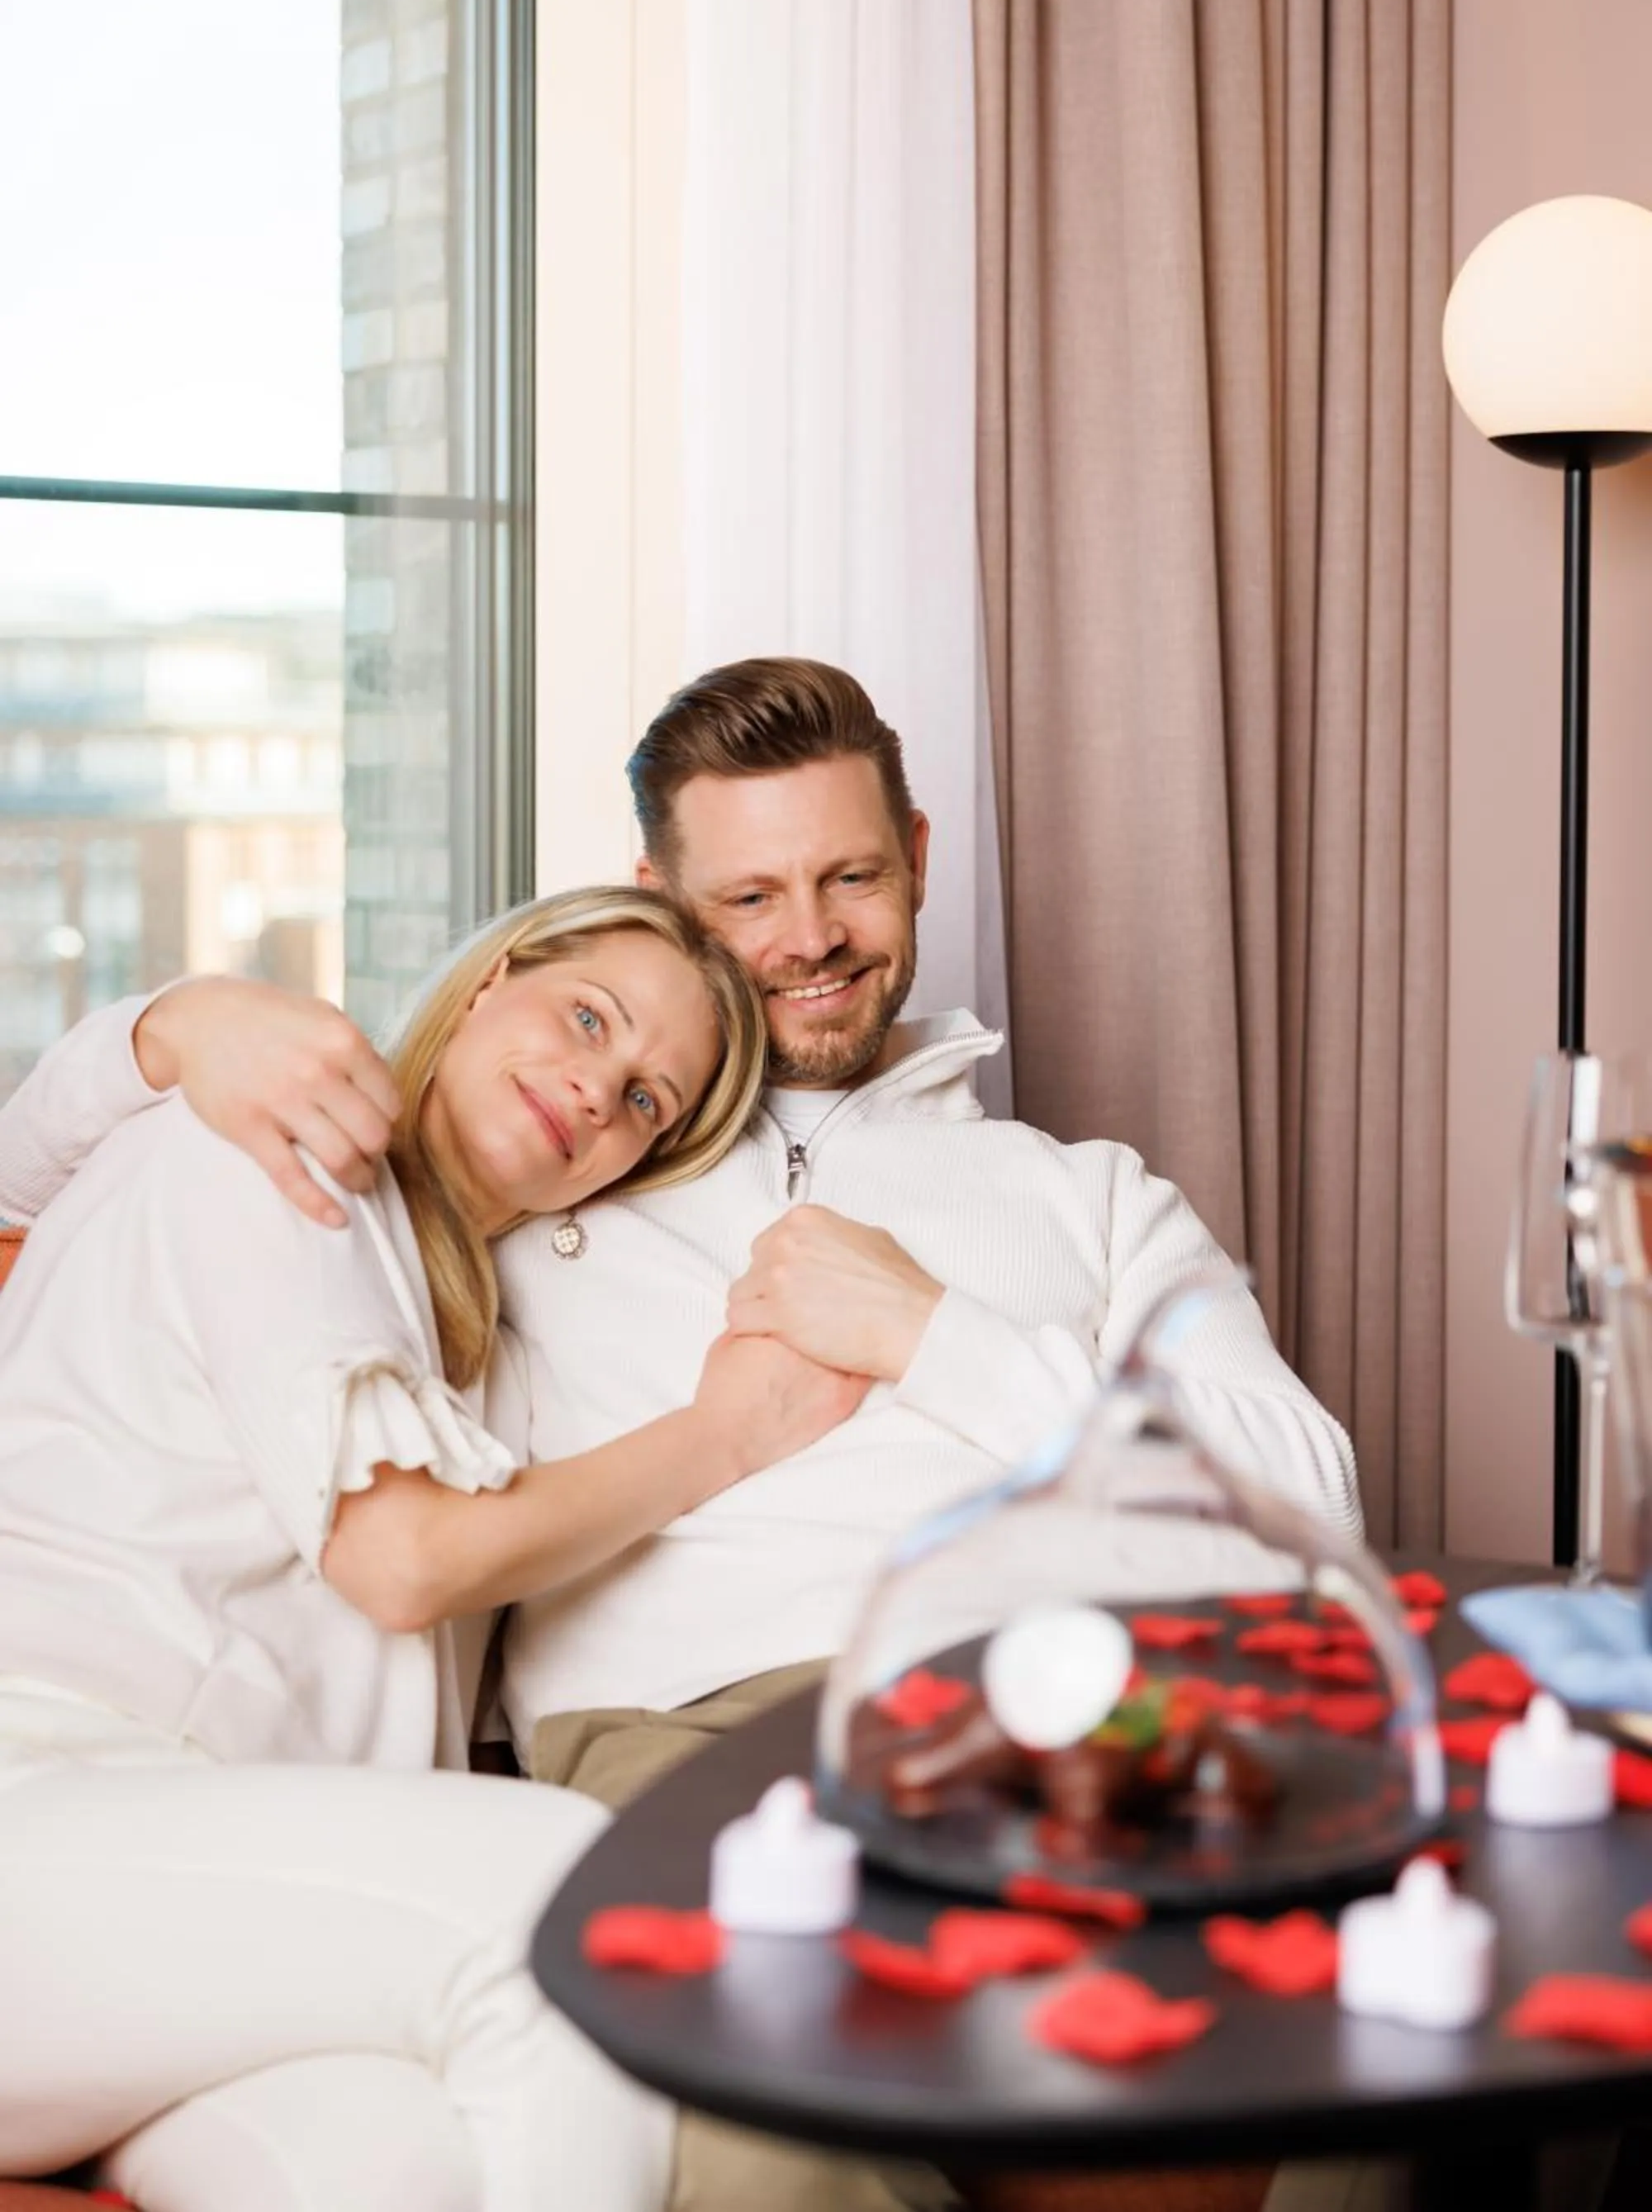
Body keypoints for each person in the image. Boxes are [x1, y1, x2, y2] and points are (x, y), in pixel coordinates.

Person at [6, 661, 1360, 2212]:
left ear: (917, 855)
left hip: (1070, 1699)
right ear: (639, 902)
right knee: (660, 2021)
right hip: (671, 1749)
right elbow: (42, 1196)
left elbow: (1308, 1507)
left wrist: (937, 1336)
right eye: (749, 898)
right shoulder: (440, 1190)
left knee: (1359, 2045)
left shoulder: (1085, 1193)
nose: (810, 937)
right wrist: (172, 1025)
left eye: (851, 876)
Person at [0, 885, 872, 2212]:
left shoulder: (480, 1363)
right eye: (589, 1019)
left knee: (404, 2162)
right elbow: (399, 1560)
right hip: (45, 1807)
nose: (595, 1090)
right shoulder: (276, 1145)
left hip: (203, 1924)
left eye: (645, 1100)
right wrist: (727, 1433)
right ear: (489, 983)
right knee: (573, 1889)